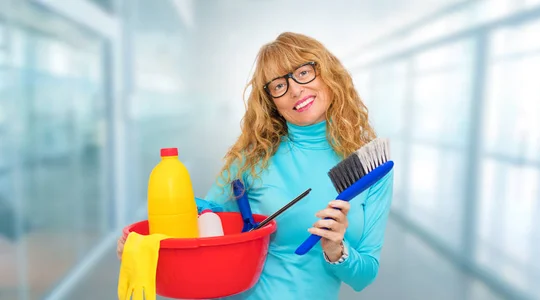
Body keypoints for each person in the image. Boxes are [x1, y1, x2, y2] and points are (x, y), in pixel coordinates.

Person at [117, 32, 393, 299]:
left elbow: (364, 276)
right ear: (272, 102)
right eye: (278, 85)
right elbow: (204, 223)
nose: (295, 90)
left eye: (304, 72)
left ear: (327, 72)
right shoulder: (253, 158)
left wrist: (336, 248)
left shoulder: (369, 168)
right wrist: (146, 244)